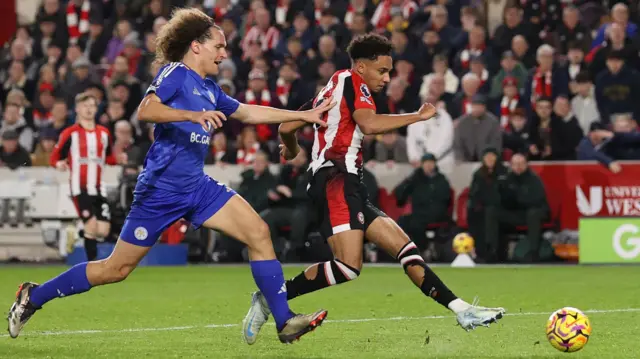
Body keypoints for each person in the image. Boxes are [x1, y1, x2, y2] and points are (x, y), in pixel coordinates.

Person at [7, 8, 334, 344]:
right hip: (160, 190)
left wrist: (303, 114)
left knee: (259, 233)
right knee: (115, 270)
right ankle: (34, 296)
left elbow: (248, 112)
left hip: (197, 187)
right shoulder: (175, 74)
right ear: (196, 46)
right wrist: (190, 115)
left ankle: (284, 321)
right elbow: (145, 110)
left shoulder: (210, 88)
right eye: (218, 46)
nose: (224, 53)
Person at [242, 33, 505, 345]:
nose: (387, 77)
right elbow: (369, 124)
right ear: (362, 66)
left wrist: (290, 149)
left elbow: (287, 126)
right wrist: (417, 117)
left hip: (346, 181)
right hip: (335, 179)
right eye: (382, 70)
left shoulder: (334, 85)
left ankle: (461, 310)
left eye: (390, 71)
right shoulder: (354, 82)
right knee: (349, 266)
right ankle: (272, 299)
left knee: (405, 249)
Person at [49, 92, 125, 262]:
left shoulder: (104, 133)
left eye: (92, 106)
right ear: (77, 109)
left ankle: (76, 231)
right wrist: (59, 164)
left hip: (98, 187)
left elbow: (109, 158)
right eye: (85, 106)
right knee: (91, 226)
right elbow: (54, 157)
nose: (89, 109)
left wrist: (119, 159)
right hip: (80, 187)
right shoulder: (70, 133)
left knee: (103, 230)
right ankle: (91, 268)